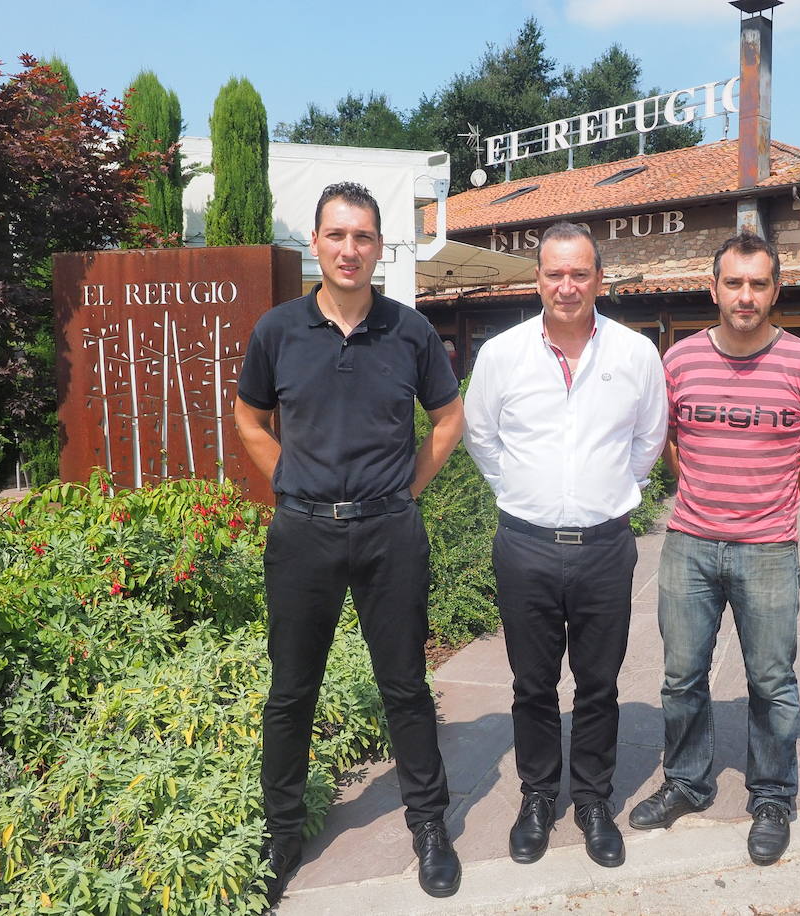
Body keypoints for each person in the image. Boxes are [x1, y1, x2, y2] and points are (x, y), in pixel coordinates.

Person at [234, 182, 466, 903]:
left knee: (405, 686)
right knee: (291, 691)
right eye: (337, 235)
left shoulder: (410, 331)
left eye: (363, 237)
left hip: (389, 533)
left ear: (377, 247)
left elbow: (448, 420)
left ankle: (429, 825)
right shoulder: (277, 331)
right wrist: (294, 485)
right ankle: (283, 834)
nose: (350, 249)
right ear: (316, 242)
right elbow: (248, 420)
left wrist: (404, 493)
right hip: (303, 534)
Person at [629, 231, 800, 867]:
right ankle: (687, 782)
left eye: (757, 283)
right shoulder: (679, 361)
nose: (745, 295)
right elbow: (662, 440)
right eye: (733, 283)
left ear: (776, 289)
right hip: (689, 545)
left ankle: (773, 796)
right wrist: (697, 486)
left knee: (772, 681)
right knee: (680, 676)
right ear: (713, 288)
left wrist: (770, 497)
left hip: (769, 549)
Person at [464, 222, 667, 870]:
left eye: (580, 273)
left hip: (606, 548)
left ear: (599, 280)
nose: (567, 285)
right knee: (531, 684)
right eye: (555, 273)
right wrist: (523, 493)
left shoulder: (636, 355)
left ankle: (592, 802)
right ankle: (535, 799)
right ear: (538, 281)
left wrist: (613, 494)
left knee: (599, 685)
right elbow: (481, 438)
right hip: (524, 545)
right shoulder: (501, 355)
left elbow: (649, 442)